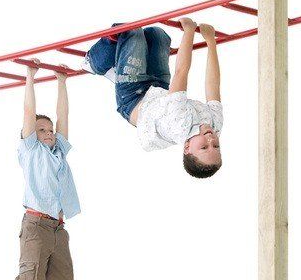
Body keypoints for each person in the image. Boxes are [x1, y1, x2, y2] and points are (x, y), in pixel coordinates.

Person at [83, 18, 223, 178]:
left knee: (131, 32)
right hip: (159, 89)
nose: (211, 140)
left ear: (187, 147)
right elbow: (213, 85)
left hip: (132, 96)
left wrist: (189, 31)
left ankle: (93, 62)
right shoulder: (216, 125)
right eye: (216, 146)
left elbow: (181, 72)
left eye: (204, 147)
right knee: (157, 35)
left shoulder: (180, 125)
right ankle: (118, 62)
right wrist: (211, 42)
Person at [6, 60, 80, 280]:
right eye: (41, 130)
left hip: (57, 227)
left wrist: (62, 81)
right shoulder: (30, 151)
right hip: (36, 224)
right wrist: (30, 76)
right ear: (29, 136)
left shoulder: (58, 152)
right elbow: (28, 113)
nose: (48, 133)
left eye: (49, 130)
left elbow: (63, 115)